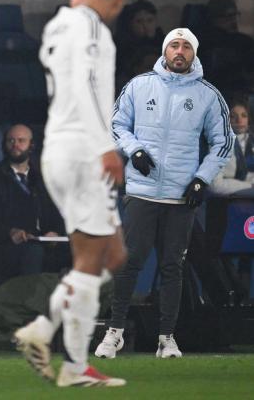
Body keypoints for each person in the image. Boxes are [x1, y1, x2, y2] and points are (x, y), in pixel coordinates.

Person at [12, 0, 130, 388]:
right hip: (83, 150)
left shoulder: (59, 24)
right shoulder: (94, 28)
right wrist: (105, 145)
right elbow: (83, 85)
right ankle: (59, 349)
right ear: (117, 2)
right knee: (90, 258)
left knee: (114, 255)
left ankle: (59, 348)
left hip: (58, 150)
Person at [94, 27, 234, 360]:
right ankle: (113, 333)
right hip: (142, 192)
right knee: (131, 262)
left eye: (186, 46)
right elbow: (116, 124)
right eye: (175, 45)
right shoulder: (140, 86)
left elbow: (223, 142)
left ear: (194, 53)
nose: (180, 51)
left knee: (174, 267)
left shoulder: (208, 95)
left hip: (180, 196)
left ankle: (166, 338)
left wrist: (201, 179)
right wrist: (135, 151)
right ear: (165, 51)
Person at [0, 124, 64, 281]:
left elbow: (57, 215)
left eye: (21, 140)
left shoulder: (41, 180)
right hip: (3, 247)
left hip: (41, 243)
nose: (16, 145)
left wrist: (55, 233)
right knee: (33, 254)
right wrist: (9, 233)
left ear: (31, 145)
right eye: (11, 141)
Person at [210, 97, 254, 196]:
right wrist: (250, 187)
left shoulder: (251, 142)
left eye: (244, 116)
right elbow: (215, 185)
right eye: (233, 116)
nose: (239, 120)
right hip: (223, 205)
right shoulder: (217, 145)